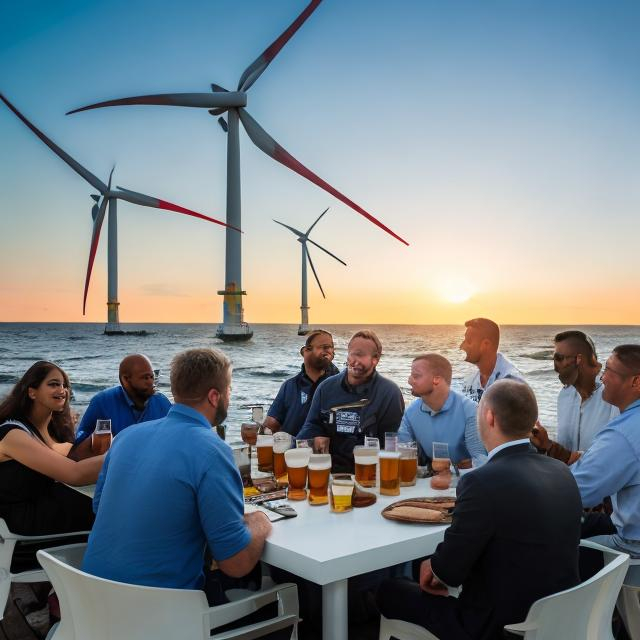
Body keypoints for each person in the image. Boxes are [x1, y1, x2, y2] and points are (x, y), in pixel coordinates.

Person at [377, 380, 582, 640]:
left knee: (390, 590)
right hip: (558, 615)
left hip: (496, 627)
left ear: (489, 417)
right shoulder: (561, 470)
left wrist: (435, 566)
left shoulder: (482, 481)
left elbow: (448, 573)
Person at [82, 348, 273, 610]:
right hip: (160, 616)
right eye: (229, 390)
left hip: (90, 603)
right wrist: (260, 521)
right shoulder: (211, 449)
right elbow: (236, 564)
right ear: (214, 396)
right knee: (276, 601)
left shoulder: (126, 437)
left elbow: (99, 506)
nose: (230, 396)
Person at [0, 361, 103, 536]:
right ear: (32, 392)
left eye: (65, 385)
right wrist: (121, 452)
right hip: (19, 518)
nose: (62, 390)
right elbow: (74, 473)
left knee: (102, 499)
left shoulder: (50, 432)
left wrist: (98, 444)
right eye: (54, 384)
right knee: (103, 506)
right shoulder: (12, 434)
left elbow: (68, 454)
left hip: (41, 504)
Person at [297, 330, 404, 472]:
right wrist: (314, 436)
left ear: (375, 359)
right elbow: (311, 425)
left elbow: (391, 443)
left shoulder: (390, 393)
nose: (354, 360)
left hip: (369, 474)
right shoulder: (326, 387)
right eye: (352, 354)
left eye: (360, 355)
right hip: (329, 472)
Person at [571, 344, 640, 557]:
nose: (602, 379)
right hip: (625, 524)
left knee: (551, 549)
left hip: (631, 546)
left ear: (636, 381)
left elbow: (577, 492)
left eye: (609, 371)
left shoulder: (623, 433)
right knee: (587, 523)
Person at [530, 330, 618, 463]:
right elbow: (566, 452)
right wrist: (544, 443)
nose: (555, 367)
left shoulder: (612, 398)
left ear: (579, 360)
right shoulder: (565, 396)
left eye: (558, 358)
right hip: (567, 480)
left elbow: (612, 457)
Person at [398, 354, 486, 467]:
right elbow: (402, 454)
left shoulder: (470, 411)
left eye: (416, 376)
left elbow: (481, 461)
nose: (409, 381)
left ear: (436, 379)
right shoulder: (410, 413)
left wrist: (453, 473)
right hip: (432, 479)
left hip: (468, 481)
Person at [73, 354, 171, 446]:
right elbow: (80, 442)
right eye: (145, 378)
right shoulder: (102, 403)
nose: (151, 382)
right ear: (125, 380)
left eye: (152, 377)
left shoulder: (162, 402)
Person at [263, 329, 339, 436]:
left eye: (331, 347)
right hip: (292, 451)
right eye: (324, 347)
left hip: (328, 452)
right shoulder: (289, 386)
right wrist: (260, 431)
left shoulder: (341, 386)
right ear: (305, 351)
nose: (329, 351)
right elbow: (271, 424)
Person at [460, 317, 524, 402]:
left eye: (468, 341)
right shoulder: (472, 380)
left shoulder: (511, 383)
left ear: (486, 344)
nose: (462, 346)